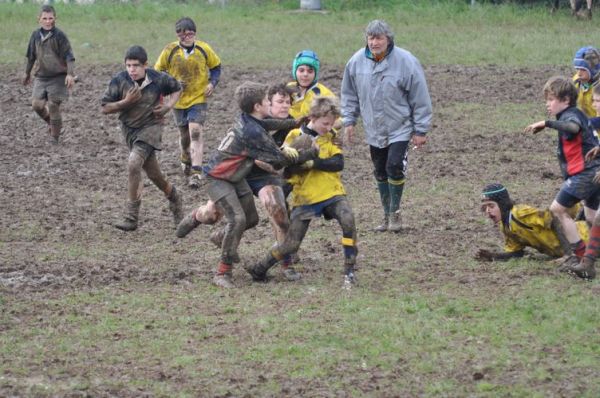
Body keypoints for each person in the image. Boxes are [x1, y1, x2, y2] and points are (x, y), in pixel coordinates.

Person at [175, 82, 317, 288]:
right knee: (238, 219)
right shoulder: (252, 133)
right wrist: (311, 154)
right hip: (217, 178)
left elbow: (269, 124)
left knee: (250, 219)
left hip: (235, 177)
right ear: (258, 107)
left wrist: (295, 123)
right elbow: (278, 160)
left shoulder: (248, 119)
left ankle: (224, 240)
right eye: (268, 101)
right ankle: (222, 273)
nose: (271, 103)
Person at [245, 96, 359, 289]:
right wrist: (291, 161)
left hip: (331, 191)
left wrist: (313, 163)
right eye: (325, 123)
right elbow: (284, 163)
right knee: (291, 244)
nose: (329, 126)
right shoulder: (295, 136)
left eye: (331, 123)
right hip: (305, 196)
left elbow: (338, 163)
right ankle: (260, 268)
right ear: (313, 117)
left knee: (348, 220)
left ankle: (349, 270)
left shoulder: (330, 137)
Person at [341, 19, 433, 233]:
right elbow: (349, 94)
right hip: (374, 129)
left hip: (400, 127)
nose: (374, 42)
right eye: (371, 38)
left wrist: (420, 130)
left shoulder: (406, 62)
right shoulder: (355, 62)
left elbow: (420, 97)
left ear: (388, 39)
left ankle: (395, 214)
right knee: (380, 171)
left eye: (379, 38)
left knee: (394, 166)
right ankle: (385, 214)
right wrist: (349, 120)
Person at [101, 45, 184, 232]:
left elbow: (177, 88)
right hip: (129, 131)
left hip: (151, 128)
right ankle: (174, 196)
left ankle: (131, 217)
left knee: (133, 163)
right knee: (155, 175)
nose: (132, 70)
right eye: (128, 65)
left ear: (145, 65)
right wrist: (125, 102)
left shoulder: (159, 78)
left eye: (136, 66)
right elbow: (104, 107)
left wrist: (168, 106)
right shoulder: (119, 81)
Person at [523, 76, 600, 268]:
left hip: (585, 173)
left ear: (565, 100)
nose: (547, 104)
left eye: (551, 99)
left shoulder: (570, 115)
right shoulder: (572, 114)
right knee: (591, 218)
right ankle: (589, 257)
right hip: (593, 172)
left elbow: (572, 128)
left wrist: (546, 123)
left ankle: (579, 254)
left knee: (557, 210)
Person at [154, 17, 222, 189]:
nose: (187, 37)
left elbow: (216, 67)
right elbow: (157, 72)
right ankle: (185, 155)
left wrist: (212, 83)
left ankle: (196, 172)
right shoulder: (169, 50)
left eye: (190, 34)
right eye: (182, 34)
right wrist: (172, 82)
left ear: (195, 34)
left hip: (198, 98)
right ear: (178, 36)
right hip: (177, 100)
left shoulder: (204, 49)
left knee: (196, 132)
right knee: (184, 136)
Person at [477, 183, 588, 262]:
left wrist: (569, 254)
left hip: (586, 237)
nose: (488, 211)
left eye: (491, 206)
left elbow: (554, 218)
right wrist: (493, 257)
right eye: (485, 207)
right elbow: (517, 252)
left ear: (502, 204)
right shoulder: (506, 226)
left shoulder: (520, 214)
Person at [23, 4, 76, 144]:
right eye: (44, 18)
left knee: (53, 104)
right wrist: (27, 73)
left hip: (58, 77)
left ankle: (55, 137)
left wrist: (70, 74)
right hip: (41, 76)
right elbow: (31, 56)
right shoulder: (35, 35)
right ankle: (51, 123)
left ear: (55, 19)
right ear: (39, 19)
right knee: (37, 105)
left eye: (50, 18)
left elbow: (69, 57)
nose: (48, 21)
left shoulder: (60, 36)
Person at [572, 46, 600, 118]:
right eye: (577, 69)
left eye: (583, 70)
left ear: (593, 69)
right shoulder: (576, 81)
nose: (579, 73)